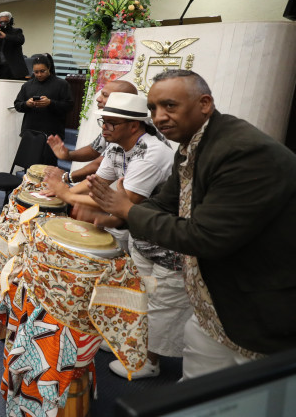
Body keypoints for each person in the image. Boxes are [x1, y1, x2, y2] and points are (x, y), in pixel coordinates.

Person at [87, 70, 296, 379]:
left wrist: (127, 211)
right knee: (196, 395)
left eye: (169, 105)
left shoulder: (243, 151)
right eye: (154, 108)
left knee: (245, 400)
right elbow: (164, 203)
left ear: (204, 104)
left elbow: (206, 237)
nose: (159, 117)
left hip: (254, 308)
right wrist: (112, 215)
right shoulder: (191, 147)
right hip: (214, 301)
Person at [44, 92, 185, 380]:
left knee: (160, 303)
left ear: (134, 125)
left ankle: (149, 361)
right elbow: (101, 182)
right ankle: (132, 344)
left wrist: (66, 193)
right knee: (138, 292)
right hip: (141, 234)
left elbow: (126, 201)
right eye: (103, 121)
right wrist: (69, 191)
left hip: (170, 241)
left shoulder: (152, 152)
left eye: (111, 123)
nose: (104, 128)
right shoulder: (117, 147)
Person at [46, 80, 139, 185]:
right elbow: (94, 149)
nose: (98, 99)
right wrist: (68, 155)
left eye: (105, 95)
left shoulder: (138, 137)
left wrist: (66, 178)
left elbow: (99, 163)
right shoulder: (112, 125)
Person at [12, 54, 73, 166]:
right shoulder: (27, 85)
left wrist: (51, 103)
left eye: (42, 71)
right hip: (30, 131)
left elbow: (69, 106)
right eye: (36, 72)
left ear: (49, 68)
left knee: (47, 168)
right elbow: (17, 105)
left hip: (51, 133)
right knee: (30, 167)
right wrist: (27, 104)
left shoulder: (61, 84)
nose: (39, 74)